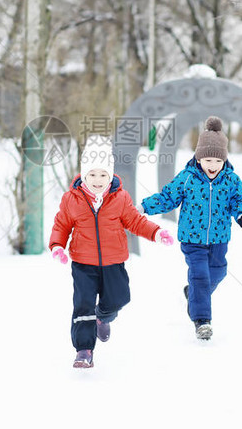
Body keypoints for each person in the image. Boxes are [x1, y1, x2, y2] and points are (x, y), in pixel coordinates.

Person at [49, 134, 174, 368]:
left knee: (119, 298)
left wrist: (156, 233)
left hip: (113, 261)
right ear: (84, 174)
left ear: (111, 175)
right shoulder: (71, 199)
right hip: (83, 263)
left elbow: (135, 221)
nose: (97, 180)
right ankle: (84, 350)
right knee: (83, 305)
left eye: (103, 174)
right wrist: (57, 246)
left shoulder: (120, 198)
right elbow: (61, 225)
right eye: (92, 174)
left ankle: (103, 317)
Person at [138, 116, 242, 341]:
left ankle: (193, 294)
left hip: (219, 238)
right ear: (199, 158)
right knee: (200, 275)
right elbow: (167, 197)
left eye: (218, 161)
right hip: (192, 239)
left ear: (224, 160)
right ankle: (202, 321)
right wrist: (144, 206)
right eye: (208, 160)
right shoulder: (188, 178)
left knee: (218, 272)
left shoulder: (230, 179)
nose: (213, 165)